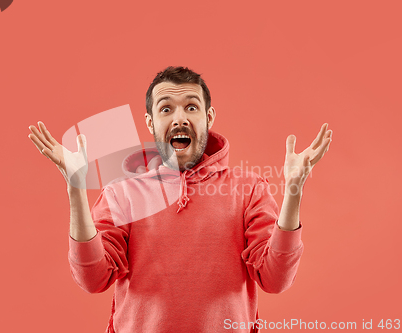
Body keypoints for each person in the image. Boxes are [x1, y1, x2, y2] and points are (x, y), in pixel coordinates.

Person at [28, 66, 332, 333]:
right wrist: (76, 188)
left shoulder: (249, 188)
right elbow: (93, 279)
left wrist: (294, 190)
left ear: (208, 117)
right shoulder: (122, 193)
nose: (179, 118)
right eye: (166, 109)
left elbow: (275, 279)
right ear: (150, 123)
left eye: (191, 107)